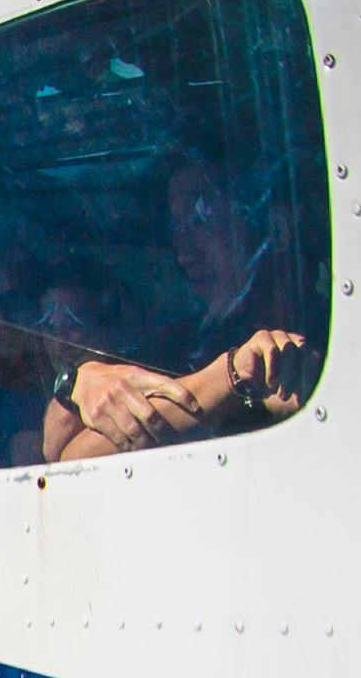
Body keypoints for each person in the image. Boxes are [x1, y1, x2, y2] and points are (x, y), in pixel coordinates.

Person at [41, 156, 319, 463]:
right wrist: (81, 381)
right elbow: (66, 453)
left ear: (275, 229)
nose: (185, 255)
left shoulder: (324, 330)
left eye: (200, 218)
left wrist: (229, 380)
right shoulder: (176, 342)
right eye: (177, 229)